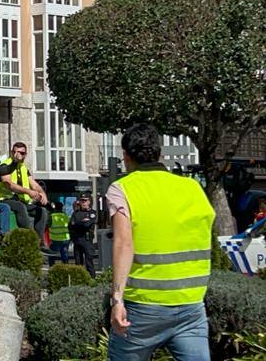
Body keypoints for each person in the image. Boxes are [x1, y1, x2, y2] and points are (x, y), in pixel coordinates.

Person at [108, 123, 214, 361]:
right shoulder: (193, 188)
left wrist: (117, 300)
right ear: (159, 154)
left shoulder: (122, 189)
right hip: (191, 304)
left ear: (126, 156)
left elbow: (124, 244)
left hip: (144, 306)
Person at [0, 142, 52, 253]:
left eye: (22, 153)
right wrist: (28, 191)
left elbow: (34, 184)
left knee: (41, 211)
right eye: (17, 152)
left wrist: (42, 193)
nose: (19, 155)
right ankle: (31, 238)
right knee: (20, 207)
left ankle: (40, 242)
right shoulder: (4, 166)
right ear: (12, 153)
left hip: (20, 200)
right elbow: (9, 185)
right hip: (4, 199)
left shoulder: (23, 168)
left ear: (26, 154)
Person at [70, 193, 98, 277]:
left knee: (89, 261)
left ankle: (92, 279)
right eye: (81, 200)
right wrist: (82, 221)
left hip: (87, 240)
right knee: (78, 262)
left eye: (85, 200)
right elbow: (71, 224)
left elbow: (87, 224)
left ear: (89, 202)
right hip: (77, 239)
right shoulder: (76, 213)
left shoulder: (92, 213)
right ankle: (80, 280)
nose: (83, 202)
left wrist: (78, 223)